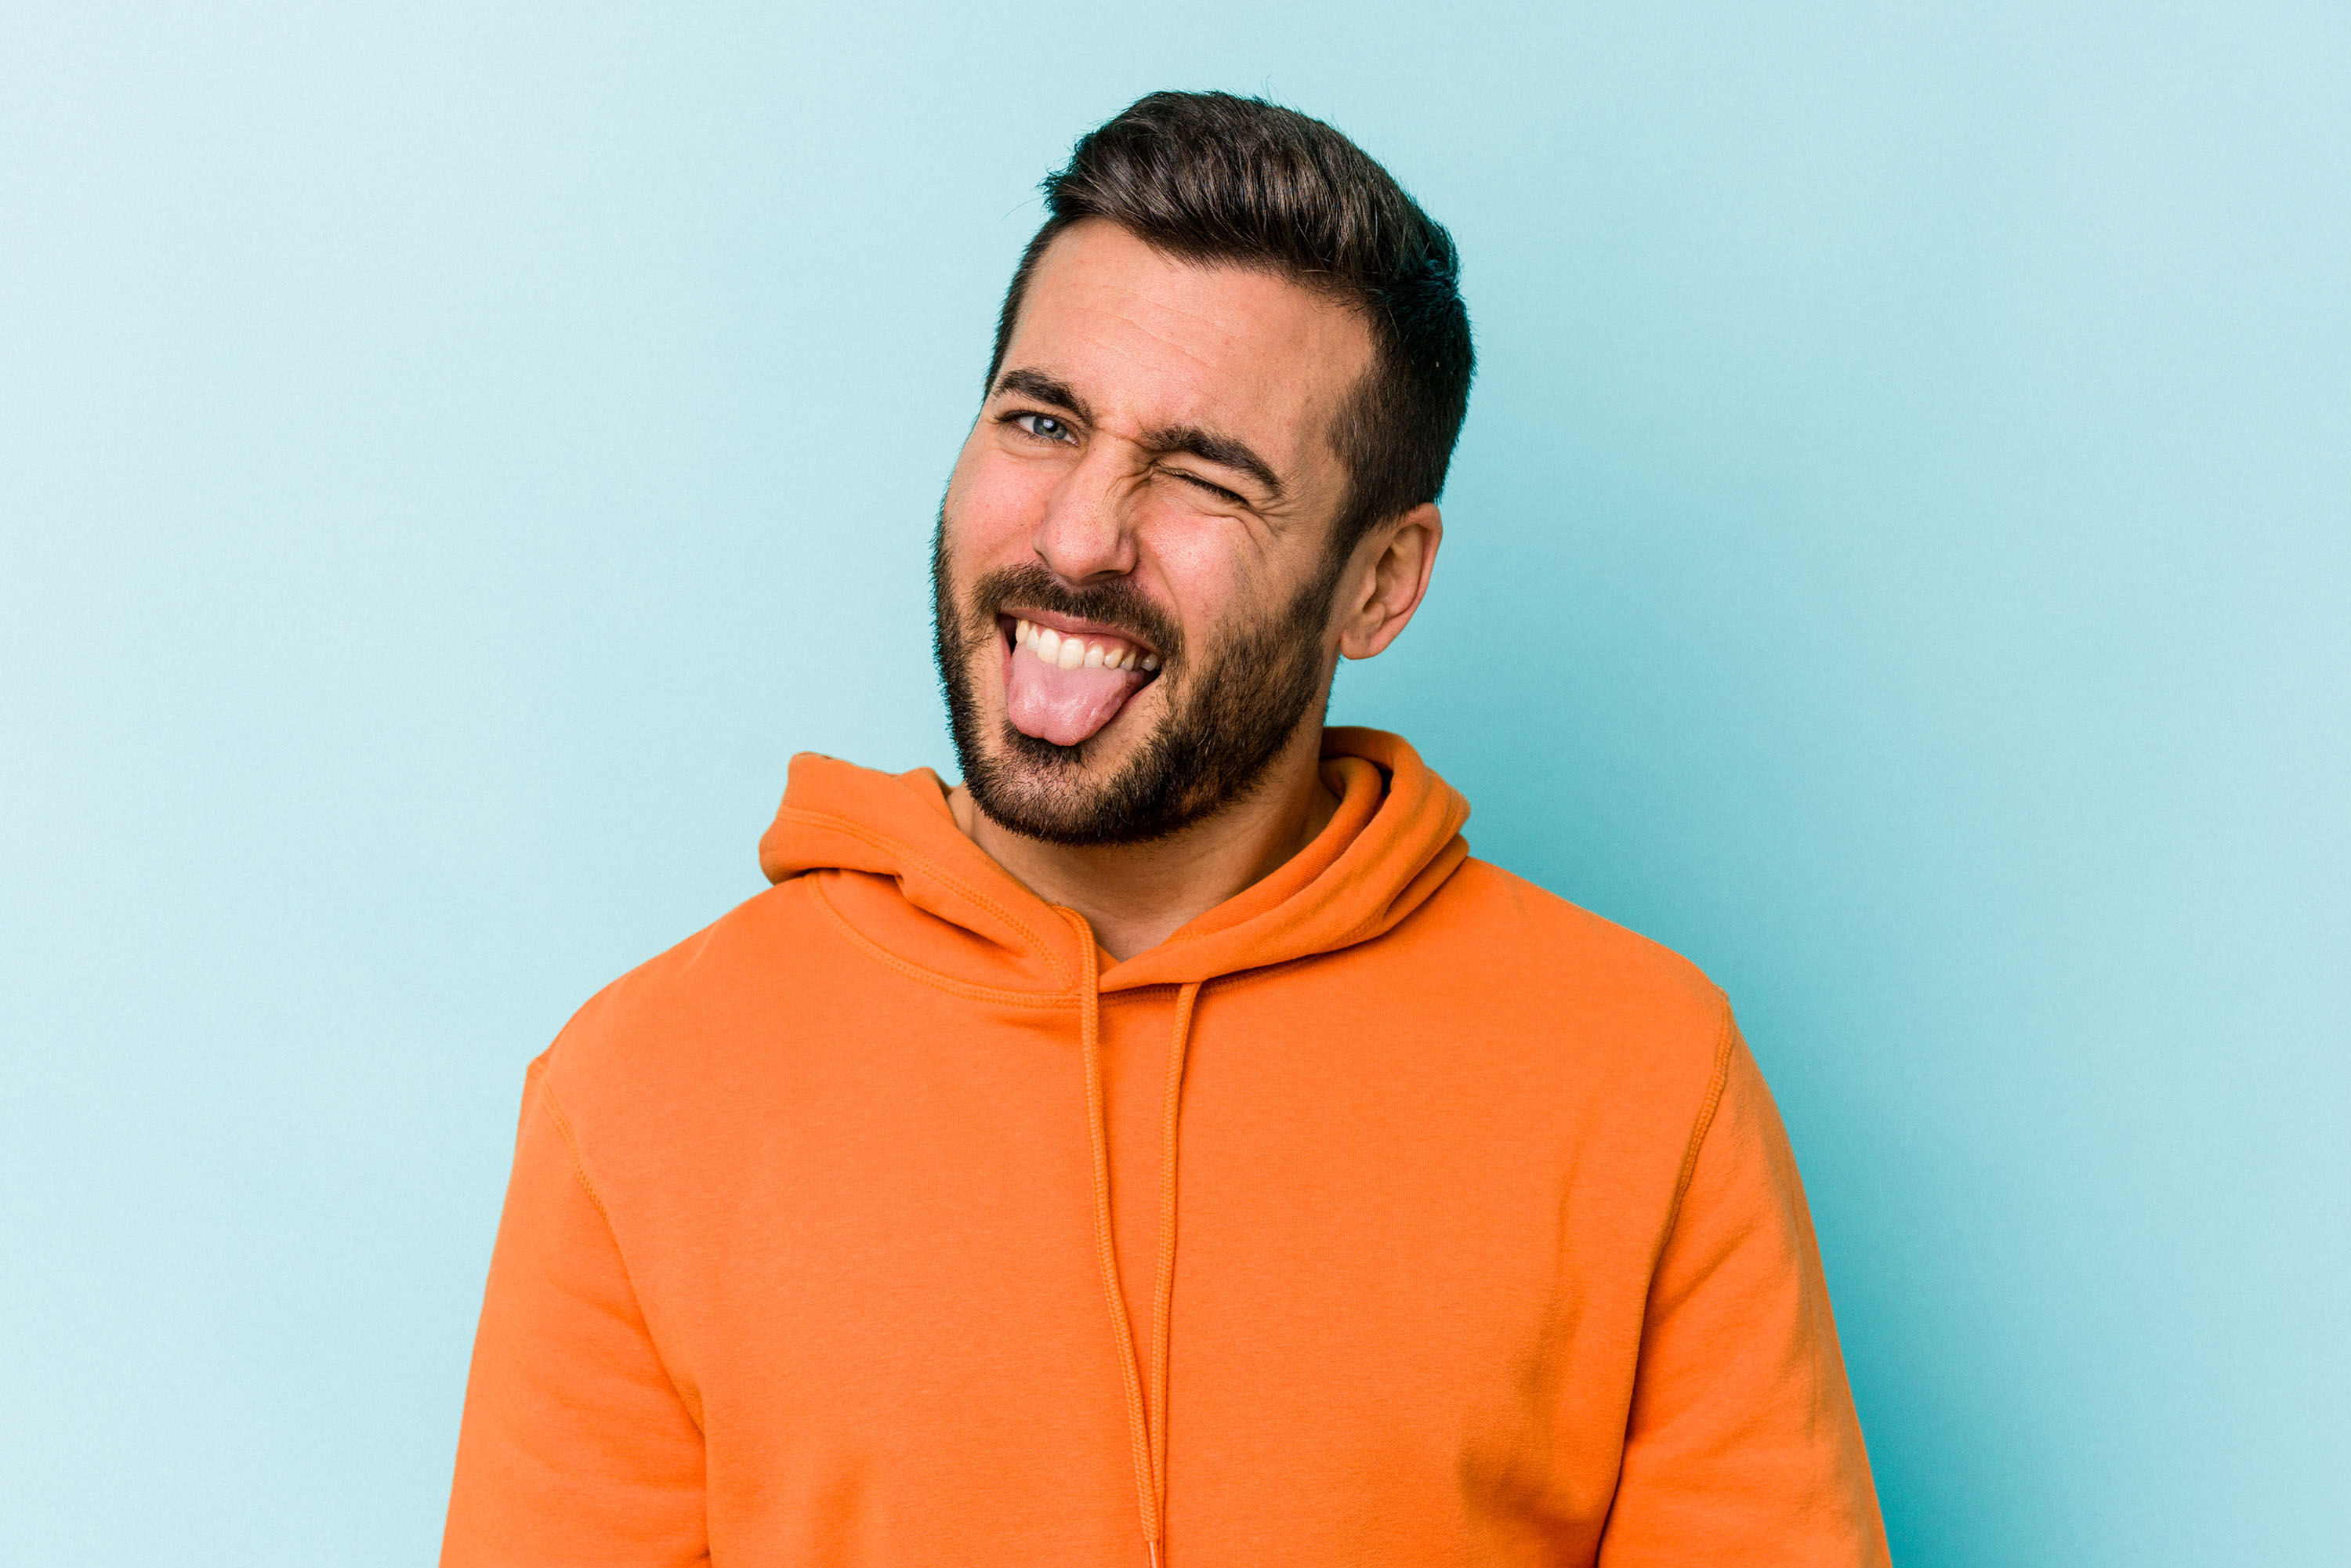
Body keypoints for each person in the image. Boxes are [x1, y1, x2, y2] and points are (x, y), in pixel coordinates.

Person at [441, 90, 1890, 1567]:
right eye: (1041, 421)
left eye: (1203, 477)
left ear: (1381, 582)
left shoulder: (1644, 1080)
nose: (1076, 537)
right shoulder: (642, 1094)